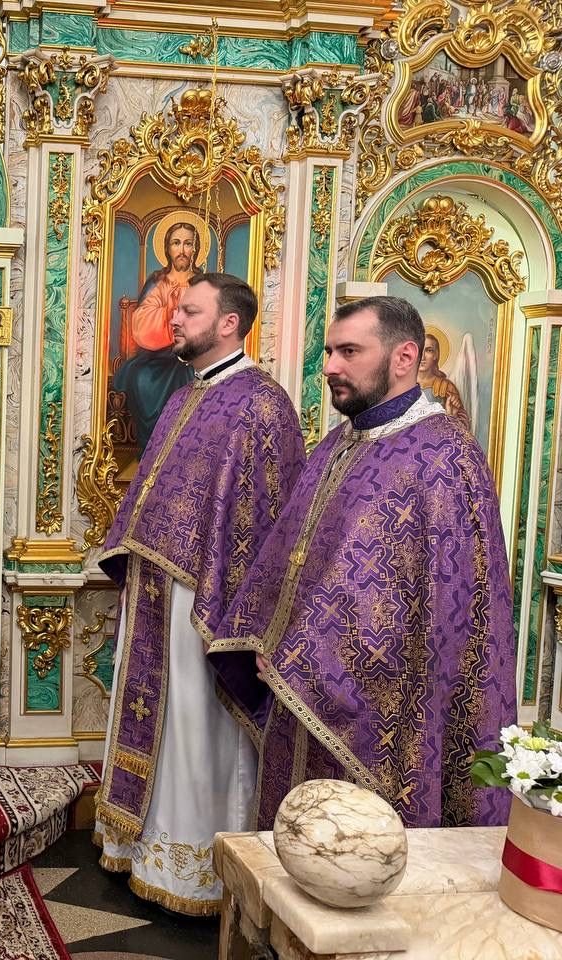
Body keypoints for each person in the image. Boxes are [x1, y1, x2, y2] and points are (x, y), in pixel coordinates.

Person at [212, 296, 517, 829]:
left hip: (384, 716)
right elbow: (293, 556)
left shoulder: (444, 455)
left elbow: (445, 612)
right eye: (329, 351)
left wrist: (298, 656)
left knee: (353, 852)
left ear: (404, 357)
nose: (330, 366)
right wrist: (266, 637)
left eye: (349, 351)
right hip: (295, 690)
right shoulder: (336, 443)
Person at [95, 273, 305, 915]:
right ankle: (143, 847)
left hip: (210, 601)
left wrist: (238, 603)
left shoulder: (262, 403)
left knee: (196, 727)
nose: (175, 319)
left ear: (229, 324)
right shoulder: (187, 397)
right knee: (160, 723)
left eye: (190, 310)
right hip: (158, 590)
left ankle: (197, 869)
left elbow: (271, 519)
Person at [113, 222, 201, 456]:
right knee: (141, 379)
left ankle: (182, 454)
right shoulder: (157, 282)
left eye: (188, 243)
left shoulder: (203, 283)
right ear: (167, 248)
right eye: (176, 243)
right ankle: (150, 453)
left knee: (191, 379)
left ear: (195, 249)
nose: (182, 250)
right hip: (156, 356)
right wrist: (172, 312)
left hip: (191, 356)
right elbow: (142, 321)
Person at [418, 330, 470, 431]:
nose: (423, 357)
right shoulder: (404, 386)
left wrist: (452, 415)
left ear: (436, 355)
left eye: (429, 350)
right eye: (420, 350)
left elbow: (464, 427)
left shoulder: (446, 386)